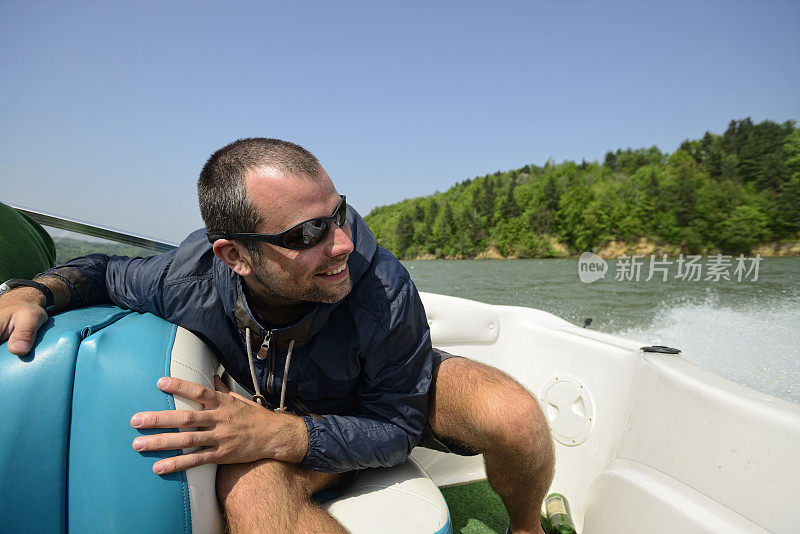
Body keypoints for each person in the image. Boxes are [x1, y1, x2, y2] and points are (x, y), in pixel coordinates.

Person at [0, 138, 554, 534]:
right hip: (276, 404)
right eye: (307, 233)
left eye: (338, 214)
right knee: (255, 496)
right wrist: (34, 293)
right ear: (235, 255)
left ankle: (526, 527)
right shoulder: (187, 279)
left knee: (514, 416)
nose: (341, 244)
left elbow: (397, 427)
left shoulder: (380, 286)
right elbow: (100, 270)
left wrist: (285, 436)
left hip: (385, 393)